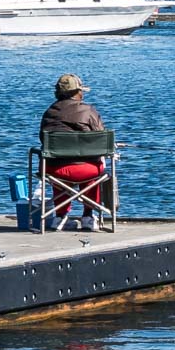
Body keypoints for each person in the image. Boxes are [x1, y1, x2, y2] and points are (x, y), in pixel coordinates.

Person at [38, 73, 109, 232]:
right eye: (81, 91)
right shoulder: (88, 110)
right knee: (94, 164)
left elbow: (42, 139)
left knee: (57, 160)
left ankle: (60, 216)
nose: (83, 94)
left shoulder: (49, 112)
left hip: (53, 170)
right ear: (76, 93)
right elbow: (101, 139)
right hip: (85, 170)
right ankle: (88, 216)